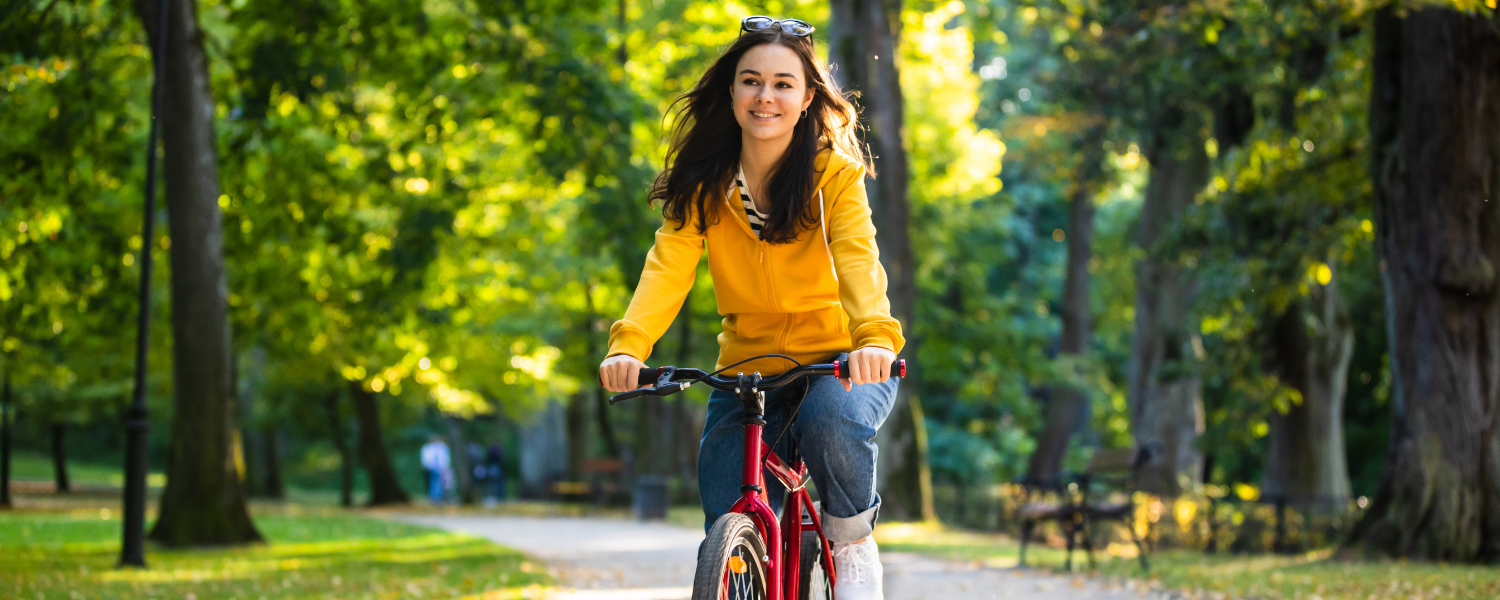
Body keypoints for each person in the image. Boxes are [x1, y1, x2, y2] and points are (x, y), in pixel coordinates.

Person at [598, 16, 901, 600]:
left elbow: (858, 260)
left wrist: (873, 340)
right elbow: (666, 269)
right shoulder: (702, 185)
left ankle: (852, 544)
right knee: (724, 498)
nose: (766, 96)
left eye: (784, 84)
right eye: (751, 81)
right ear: (732, 92)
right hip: (748, 369)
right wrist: (629, 346)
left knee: (829, 422)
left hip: (838, 361)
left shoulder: (833, 177)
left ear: (807, 96)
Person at [419, 435, 452, 505]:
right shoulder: (438, 447)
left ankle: (437, 497)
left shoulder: (432, 447)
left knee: (437, 482)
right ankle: (436, 497)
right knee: (437, 482)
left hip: (435, 467)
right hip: (436, 467)